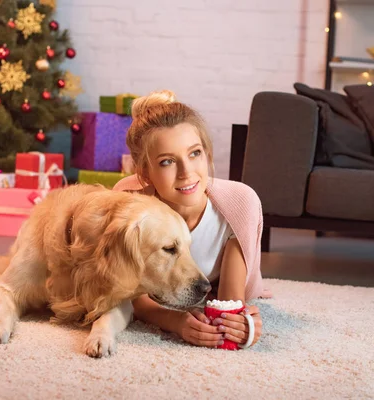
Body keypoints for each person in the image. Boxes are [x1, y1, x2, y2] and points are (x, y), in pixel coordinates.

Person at [113, 90, 272, 349]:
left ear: (207, 153)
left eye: (194, 153)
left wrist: (241, 325)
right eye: (167, 161)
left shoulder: (239, 204)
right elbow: (128, 294)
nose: (187, 173)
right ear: (145, 172)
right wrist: (175, 321)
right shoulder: (128, 201)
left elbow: (230, 300)